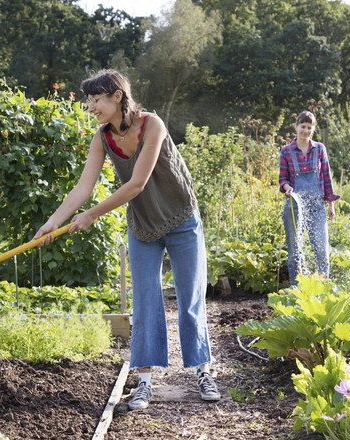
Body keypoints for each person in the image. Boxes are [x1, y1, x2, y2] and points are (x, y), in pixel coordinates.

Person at [33, 69, 220, 410]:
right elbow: (82, 189)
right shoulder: (102, 138)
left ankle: (203, 371)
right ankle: (145, 382)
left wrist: (92, 215)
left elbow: (136, 183)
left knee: (190, 299)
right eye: (89, 101)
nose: (92, 107)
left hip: (180, 219)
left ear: (117, 96)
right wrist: (52, 223)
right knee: (145, 302)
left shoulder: (153, 125)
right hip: (144, 224)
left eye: (96, 100)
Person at [278, 111, 339, 286]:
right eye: (302, 126)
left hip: (317, 206)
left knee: (322, 250)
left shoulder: (319, 149)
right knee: (294, 253)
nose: (305, 130)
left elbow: (326, 177)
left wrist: (331, 205)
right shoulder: (286, 151)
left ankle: (323, 288)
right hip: (294, 207)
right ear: (296, 127)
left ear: (313, 129)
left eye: (309, 127)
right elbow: (283, 179)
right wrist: (287, 187)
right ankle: (298, 291)